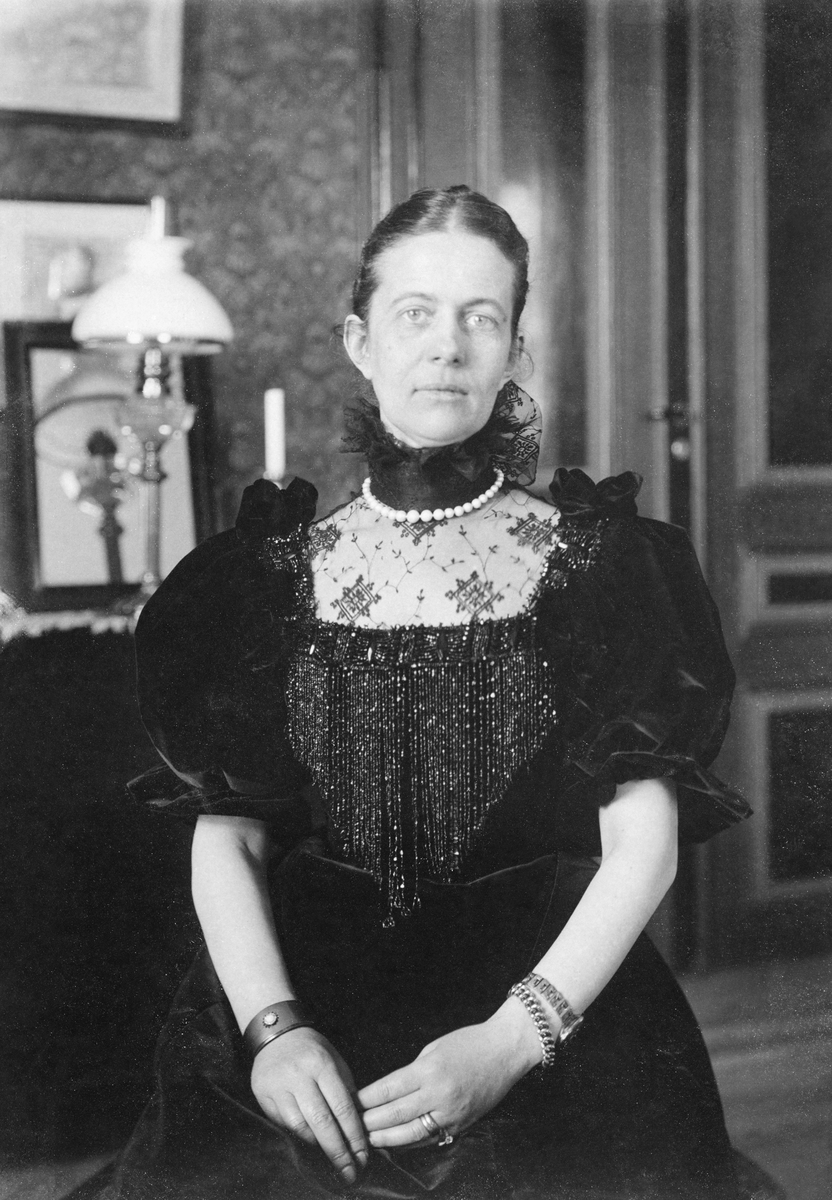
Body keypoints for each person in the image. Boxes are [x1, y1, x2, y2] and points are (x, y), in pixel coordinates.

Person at [85, 186, 755, 1200]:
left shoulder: (605, 564)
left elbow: (643, 845)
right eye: (415, 313)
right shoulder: (261, 577)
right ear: (360, 341)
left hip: (544, 1006)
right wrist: (273, 1030)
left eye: (480, 317)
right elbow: (229, 836)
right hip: (307, 1004)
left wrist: (511, 1042)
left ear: (514, 352)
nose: (447, 345)